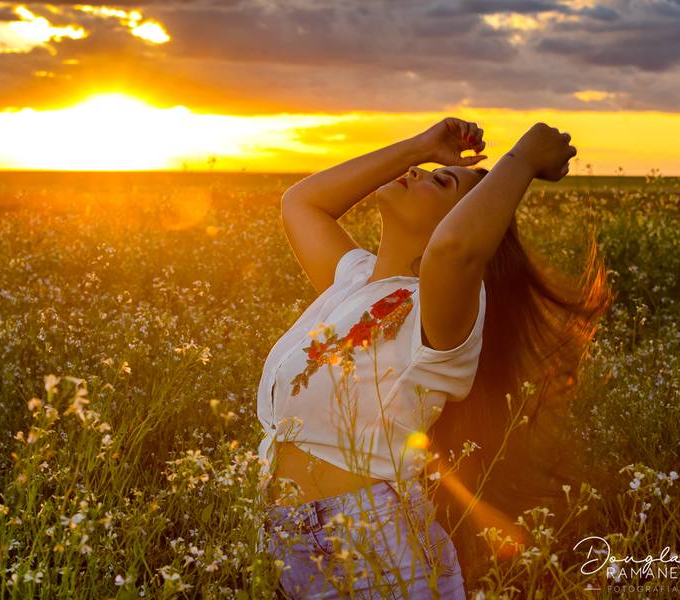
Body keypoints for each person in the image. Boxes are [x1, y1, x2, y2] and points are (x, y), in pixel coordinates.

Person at [255, 117, 614, 598]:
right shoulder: (353, 283)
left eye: (440, 180)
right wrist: (422, 145)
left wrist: (525, 158)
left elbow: (454, 251)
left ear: (459, 223)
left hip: (375, 547)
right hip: (284, 543)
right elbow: (301, 202)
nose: (420, 172)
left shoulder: (441, 312)